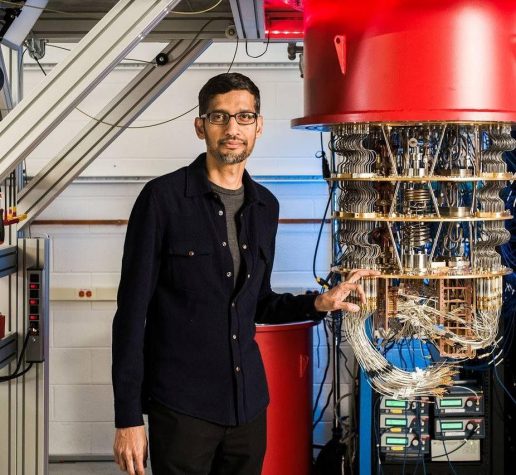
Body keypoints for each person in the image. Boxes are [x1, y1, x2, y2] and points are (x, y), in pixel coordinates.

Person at [112, 72, 379, 475]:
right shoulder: (162, 200)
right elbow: (130, 317)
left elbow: (259, 303)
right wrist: (128, 417)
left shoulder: (264, 206)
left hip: (248, 405)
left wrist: (319, 302)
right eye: (219, 117)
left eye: (243, 116)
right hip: (183, 407)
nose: (232, 128)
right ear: (200, 126)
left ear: (258, 126)